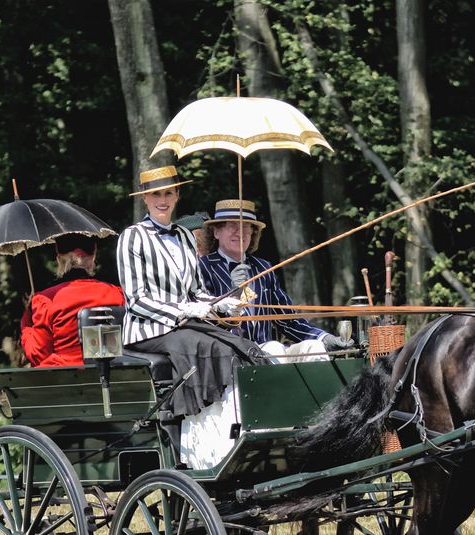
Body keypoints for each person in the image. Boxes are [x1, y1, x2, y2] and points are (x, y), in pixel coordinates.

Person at [116, 166, 264, 469]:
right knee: (214, 349)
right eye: (156, 194)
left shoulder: (184, 235)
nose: (162, 199)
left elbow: (196, 291)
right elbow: (137, 299)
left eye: (168, 193)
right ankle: (199, 440)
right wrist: (184, 309)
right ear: (145, 198)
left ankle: (236, 429)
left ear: (177, 195)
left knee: (241, 346)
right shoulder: (132, 237)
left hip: (185, 324)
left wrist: (222, 304)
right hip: (148, 330)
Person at [197, 199, 353, 362]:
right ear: (216, 232)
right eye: (232, 226)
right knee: (274, 348)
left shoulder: (263, 268)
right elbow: (204, 324)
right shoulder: (202, 268)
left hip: (267, 353)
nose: (240, 232)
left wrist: (325, 338)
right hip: (229, 357)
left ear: (253, 233)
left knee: (313, 348)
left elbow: (288, 320)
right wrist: (233, 295)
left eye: (246, 226)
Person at [20, 233, 123, 367]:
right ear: (93, 257)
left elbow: (38, 354)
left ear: (58, 259)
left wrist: (26, 323)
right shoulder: (117, 293)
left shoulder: (46, 299)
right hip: (110, 376)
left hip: (64, 379)